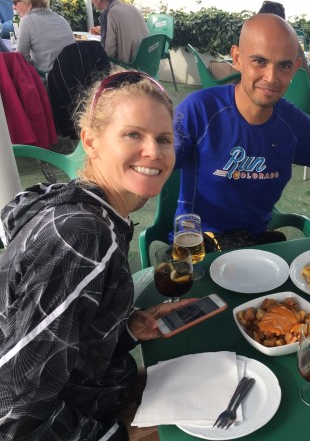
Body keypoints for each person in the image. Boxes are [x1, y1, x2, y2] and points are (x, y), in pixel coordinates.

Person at [0, 69, 192, 440]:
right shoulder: (81, 238)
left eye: (164, 139)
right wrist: (121, 433)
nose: (153, 151)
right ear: (90, 141)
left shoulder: (84, 206)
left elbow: (62, 344)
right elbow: (12, 416)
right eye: (133, 134)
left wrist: (123, 330)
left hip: (95, 393)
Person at [174, 13, 310, 252]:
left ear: (296, 69)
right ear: (237, 58)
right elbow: (159, 160)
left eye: (284, 66)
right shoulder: (200, 110)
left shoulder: (292, 122)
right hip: (197, 248)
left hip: (253, 247)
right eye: (259, 61)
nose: (271, 77)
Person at [257, 0, 310, 86]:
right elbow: (309, 80)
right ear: (283, 20)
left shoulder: (253, 42)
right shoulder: (293, 44)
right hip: (300, 97)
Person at [13, 0, 75, 73]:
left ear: (28, 2)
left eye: (15, 2)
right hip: (73, 78)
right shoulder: (61, 19)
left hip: (48, 81)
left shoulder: (27, 21)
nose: (13, 7)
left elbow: (20, 60)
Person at [89, 0, 149, 64]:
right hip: (146, 64)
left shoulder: (109, 13)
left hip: (128, 68)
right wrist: (103, 30)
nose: (91, 1)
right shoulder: (132, 8)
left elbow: (108, 53)